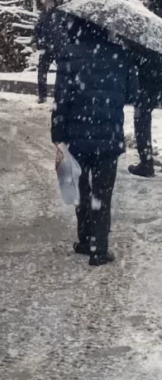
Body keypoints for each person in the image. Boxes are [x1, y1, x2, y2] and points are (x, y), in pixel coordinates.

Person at [53, 18, 137, 266]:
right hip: (109, 134)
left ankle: (84, 238)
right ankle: (99, 248)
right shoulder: (120, 54)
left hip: (78, 136)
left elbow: (61, 98)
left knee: (81, 189)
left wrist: (58, 136)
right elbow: (131, 93)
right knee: (103, 192)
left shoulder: (69, 54)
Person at [129, 0, 162, 178]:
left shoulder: (148, 19)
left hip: (149, 77)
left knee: (142, 117)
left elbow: (139, 49)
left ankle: (146, 161)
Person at [34, 0, 67, 104]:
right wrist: (39, 42)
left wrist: (60, 44)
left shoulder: (59, 13)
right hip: (46, 46)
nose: (46, 2)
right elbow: (38, 28)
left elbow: (60, 31)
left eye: (48, 0)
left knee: (61, 72)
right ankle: (42, 96)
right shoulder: (45, 13)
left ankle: (60, 95)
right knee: (42, 71)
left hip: (56, 46)